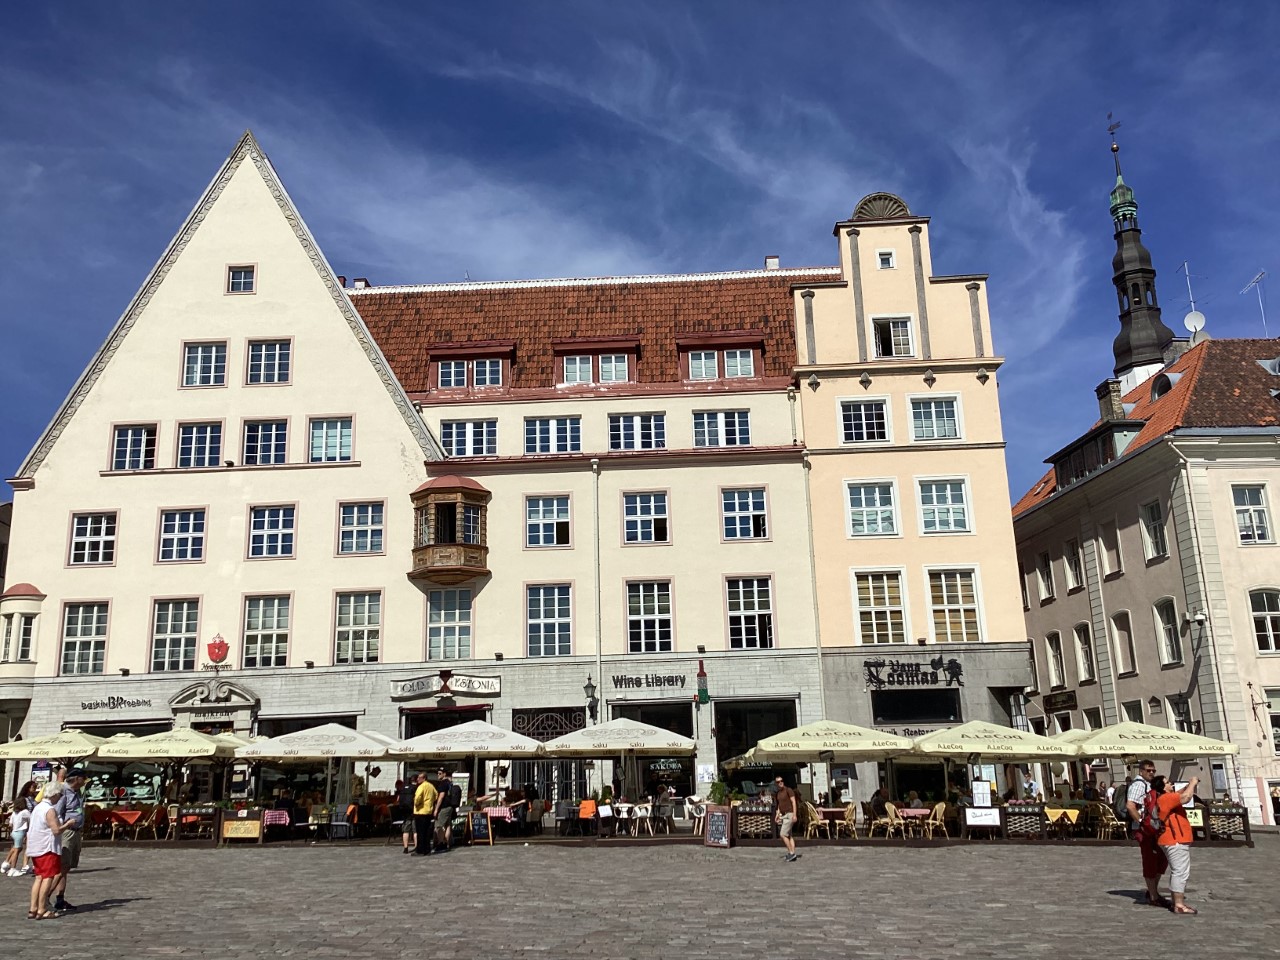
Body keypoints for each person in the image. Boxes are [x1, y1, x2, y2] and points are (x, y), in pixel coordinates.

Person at [1153, 774, 1199, 915]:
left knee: (1178, 870)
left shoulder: (1167, 797)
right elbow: (1185, 798)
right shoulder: (1165, 798)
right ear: (1163, 787)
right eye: (1167, 782)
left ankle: (1176, 902)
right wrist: (1192, 782)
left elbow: (1181, 794)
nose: (1171, 784)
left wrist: (1189, 786)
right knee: (1180, 871)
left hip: (1171, 839)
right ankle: (1178, 904)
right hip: (1174, 839)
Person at [1125, 759, 1168, 908]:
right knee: (1150, 860)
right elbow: (1130, 806)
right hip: (1145, 830)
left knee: (1161, 859)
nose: (1151, 773)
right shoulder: (1138, 785)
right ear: (1141, 771)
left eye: (1153, 770)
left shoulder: (1149, 785)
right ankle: (1153, 895)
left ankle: (1152, 891)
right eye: (1148, 770)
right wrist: (1142, 824)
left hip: (1153, 829)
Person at [26, 780, 71, 920]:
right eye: (59, 795)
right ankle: (42, 909)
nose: (60, 798)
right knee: (47, 878)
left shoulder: (38, 807)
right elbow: (56, 830)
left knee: (39, 878)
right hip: (47, 847)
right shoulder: (49, 809)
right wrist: (68, 824)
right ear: (55, 794)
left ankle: (33, 908)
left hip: (35, 846)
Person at [50, 767, 86, 912]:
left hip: (76, 832)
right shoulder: (64, 791)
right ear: (77, 778)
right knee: (62, 866)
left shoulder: (77, 792)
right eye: (83, 778)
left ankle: (60, 898)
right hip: (67, 833)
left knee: (66, 868)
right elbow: (56, 813)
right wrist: (63, 827)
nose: (85, 782)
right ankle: (45, 897)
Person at [3, 781, 38, 877]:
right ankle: (12, 867)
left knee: (20, 846)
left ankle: (12, 864)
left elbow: (11, 822)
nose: (34, 789)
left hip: (20, 828)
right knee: (17, 848)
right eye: (33, 787)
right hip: (25, 825)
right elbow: (29, 816)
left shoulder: (33, 799)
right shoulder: (24, 805)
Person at [772, 776, 801, 863]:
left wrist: (795, 815)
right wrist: (777, 815)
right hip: (784, 815)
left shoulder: (788, 790)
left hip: (790, 814)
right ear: (776, 784)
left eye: (781, 781)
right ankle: (792, 852)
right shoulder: (778, 794)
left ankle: (792, 853)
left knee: (783, 834)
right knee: (789, 835)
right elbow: (780, 806)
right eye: (778, 782)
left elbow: (793, 802)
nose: (780, 782)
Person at [412, 772, 438, 856]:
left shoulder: (421, 786)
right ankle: (427, 849)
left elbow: (418, 797)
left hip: (420, 811)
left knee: (420, 832)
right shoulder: (431, 786)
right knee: (427, 832)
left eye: (419, 778)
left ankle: (420, 850)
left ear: (424, 778)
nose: (417, 779)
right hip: (428, 811)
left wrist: (416, 804)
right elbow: (436, 795)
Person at [433, 770, 459, 851]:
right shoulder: (449, 782)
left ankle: (441, 843)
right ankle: (447, 843)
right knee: (447, 825)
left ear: (444, 774)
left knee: (439, 826)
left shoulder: (443, 783)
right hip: (450, 806)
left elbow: (441, 796)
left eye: (440, 773)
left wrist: (436, 809)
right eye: (437, 773)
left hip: (444, 807)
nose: (438, 775)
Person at [394, 779, 415, 855]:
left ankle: (405, 848)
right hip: (414, 811)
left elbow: (398, 800)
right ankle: (416, 846)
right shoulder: (414, 788)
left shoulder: (402, 791)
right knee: (415, 831)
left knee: (406, 831)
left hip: (405, 812)